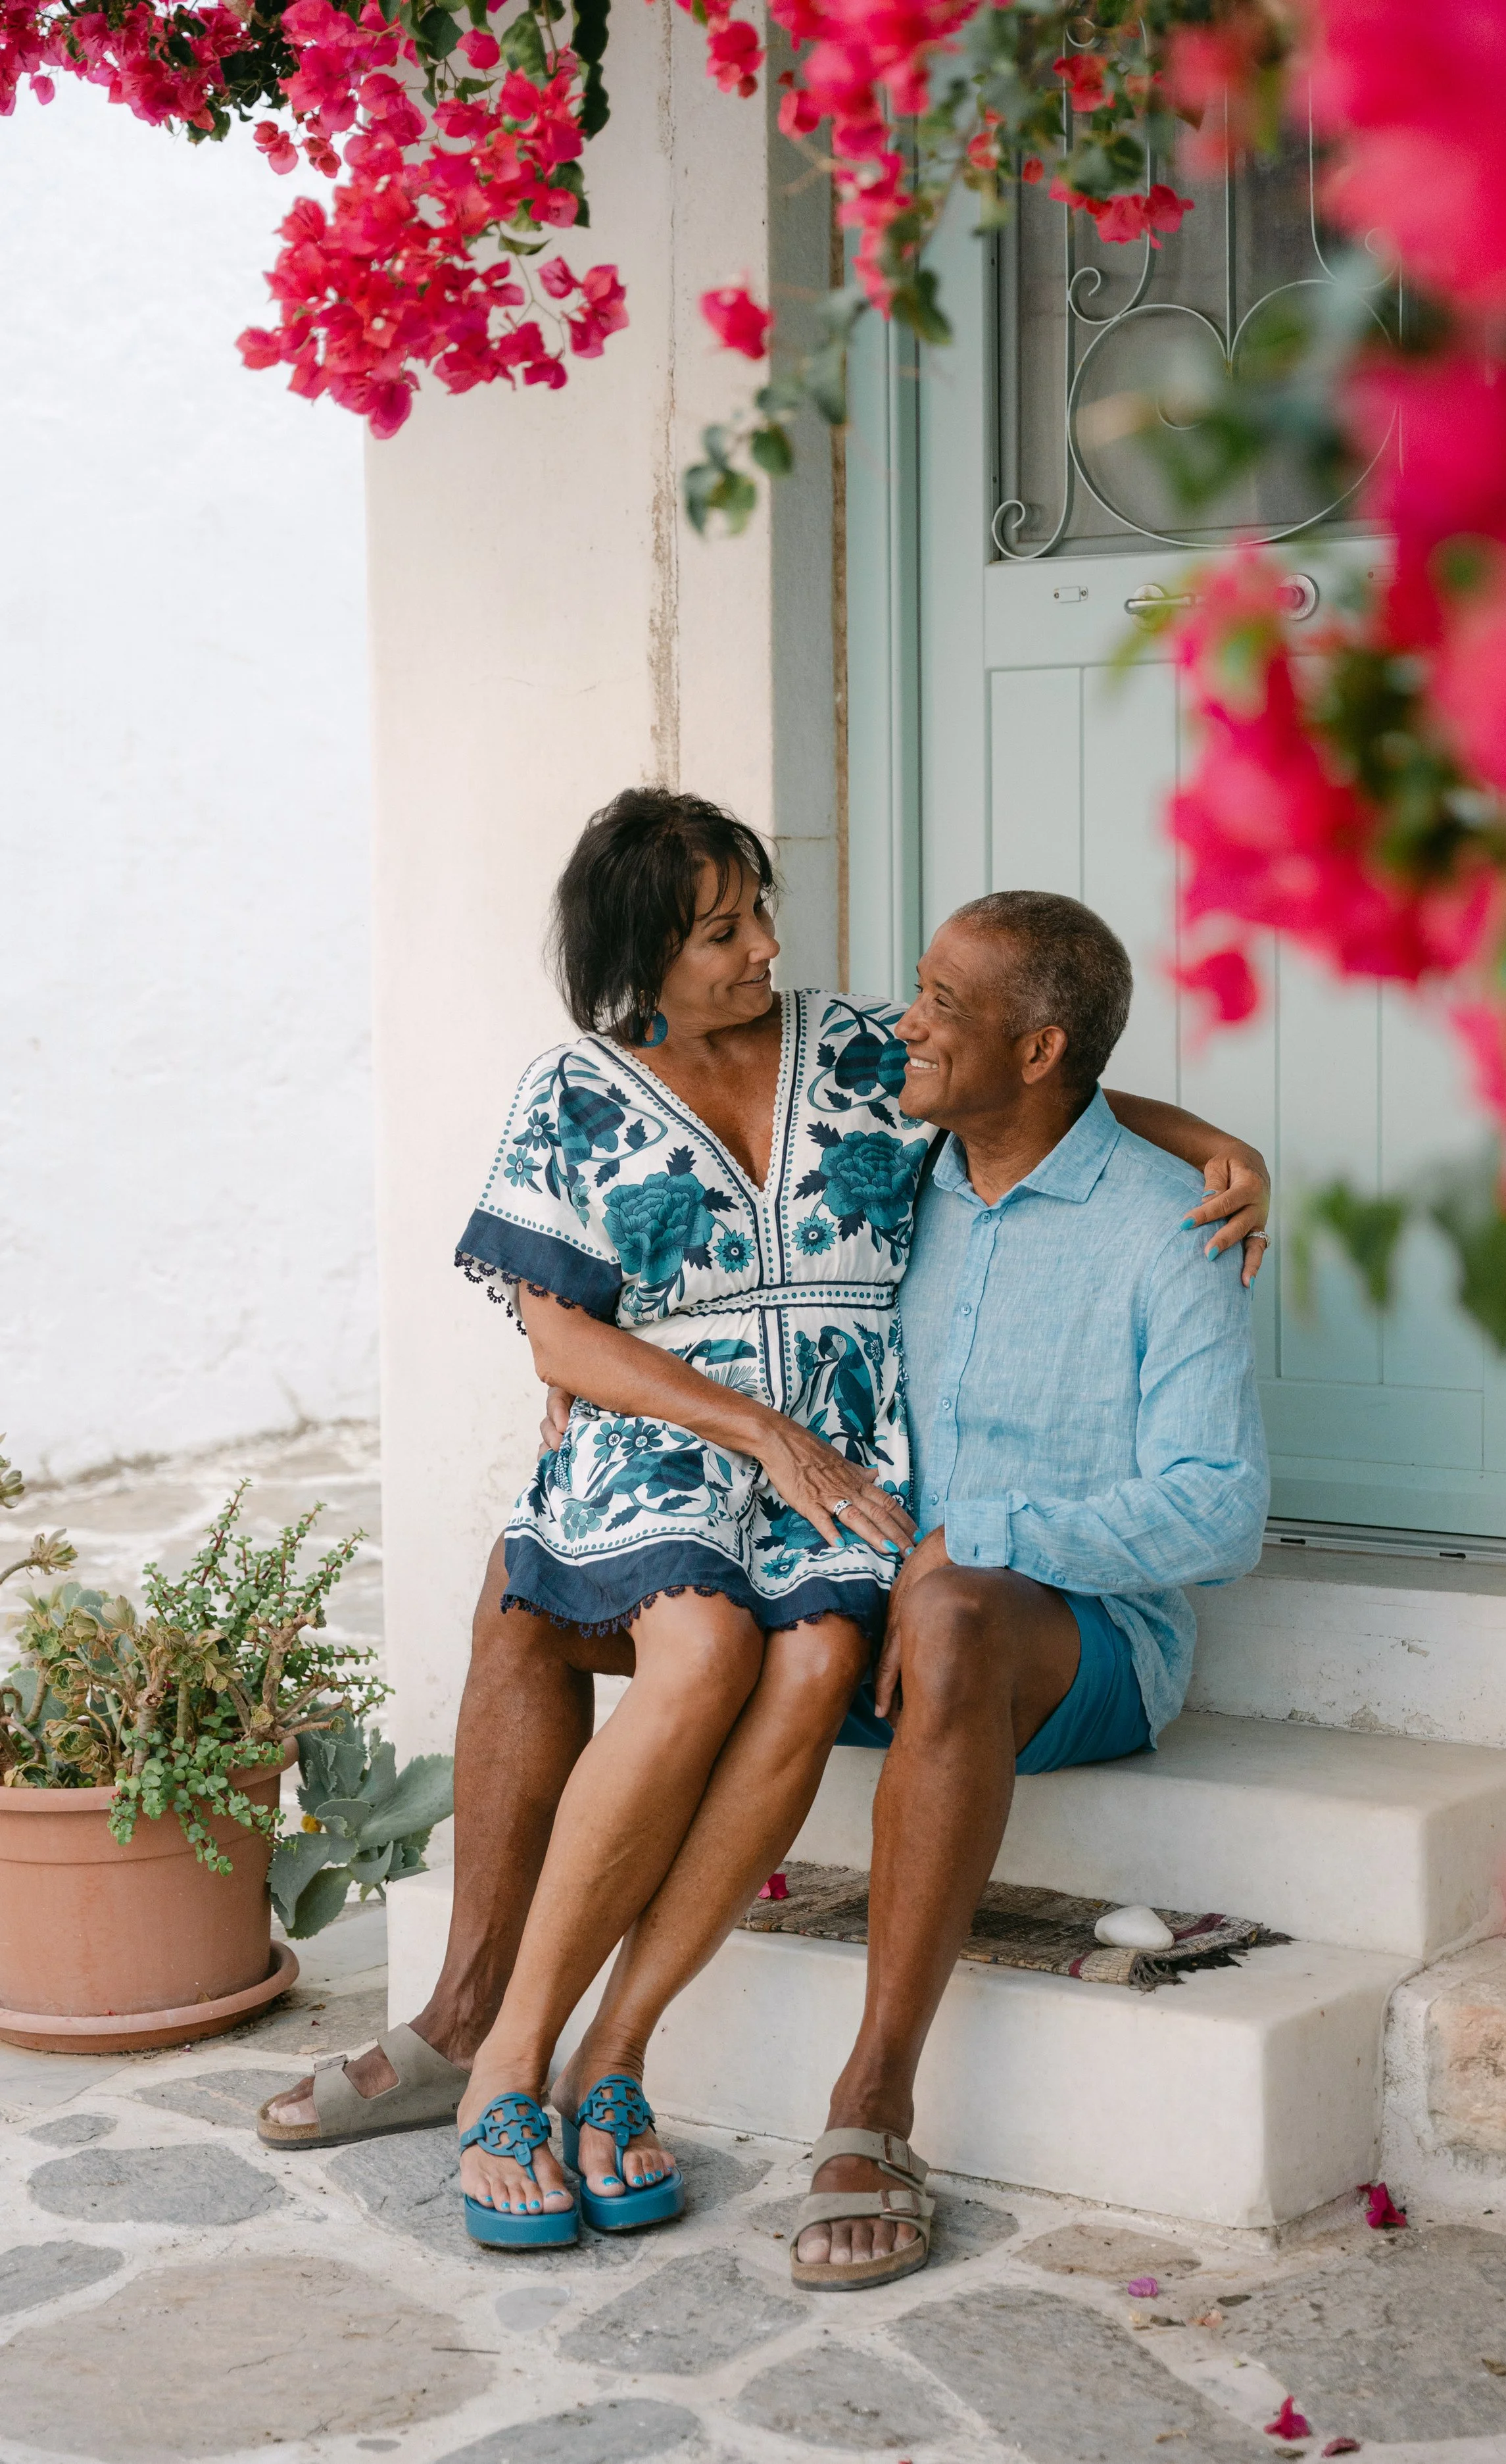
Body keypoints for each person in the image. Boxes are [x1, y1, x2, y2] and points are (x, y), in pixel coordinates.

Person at [258, 790, 1270, 2248]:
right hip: (710, 1449)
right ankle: (488, 2040)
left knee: (797, 1655)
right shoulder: (580, 1090)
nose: (765, 949)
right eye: (721, 931)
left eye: (758, 916)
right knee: (572, 1607)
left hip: (861, 1502)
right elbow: (560, 1333)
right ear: (641, 955)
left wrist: (1214, 1141)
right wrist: (737, 1420)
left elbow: (1039, 1092)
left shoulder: (863, 1058)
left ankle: (634, 2060)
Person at [786, 890, 1270, 2286]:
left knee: (951, 1609)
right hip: (870, 1610)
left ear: (1040, 1047)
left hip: (1082, 1649)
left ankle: (872, 2102)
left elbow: (1217, 1511)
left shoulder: (1164, 1231)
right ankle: (513, 2033)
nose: (906, 1019)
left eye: (942, 999)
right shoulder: (886, 1170)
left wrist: (979, 1530)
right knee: (589, 1586)